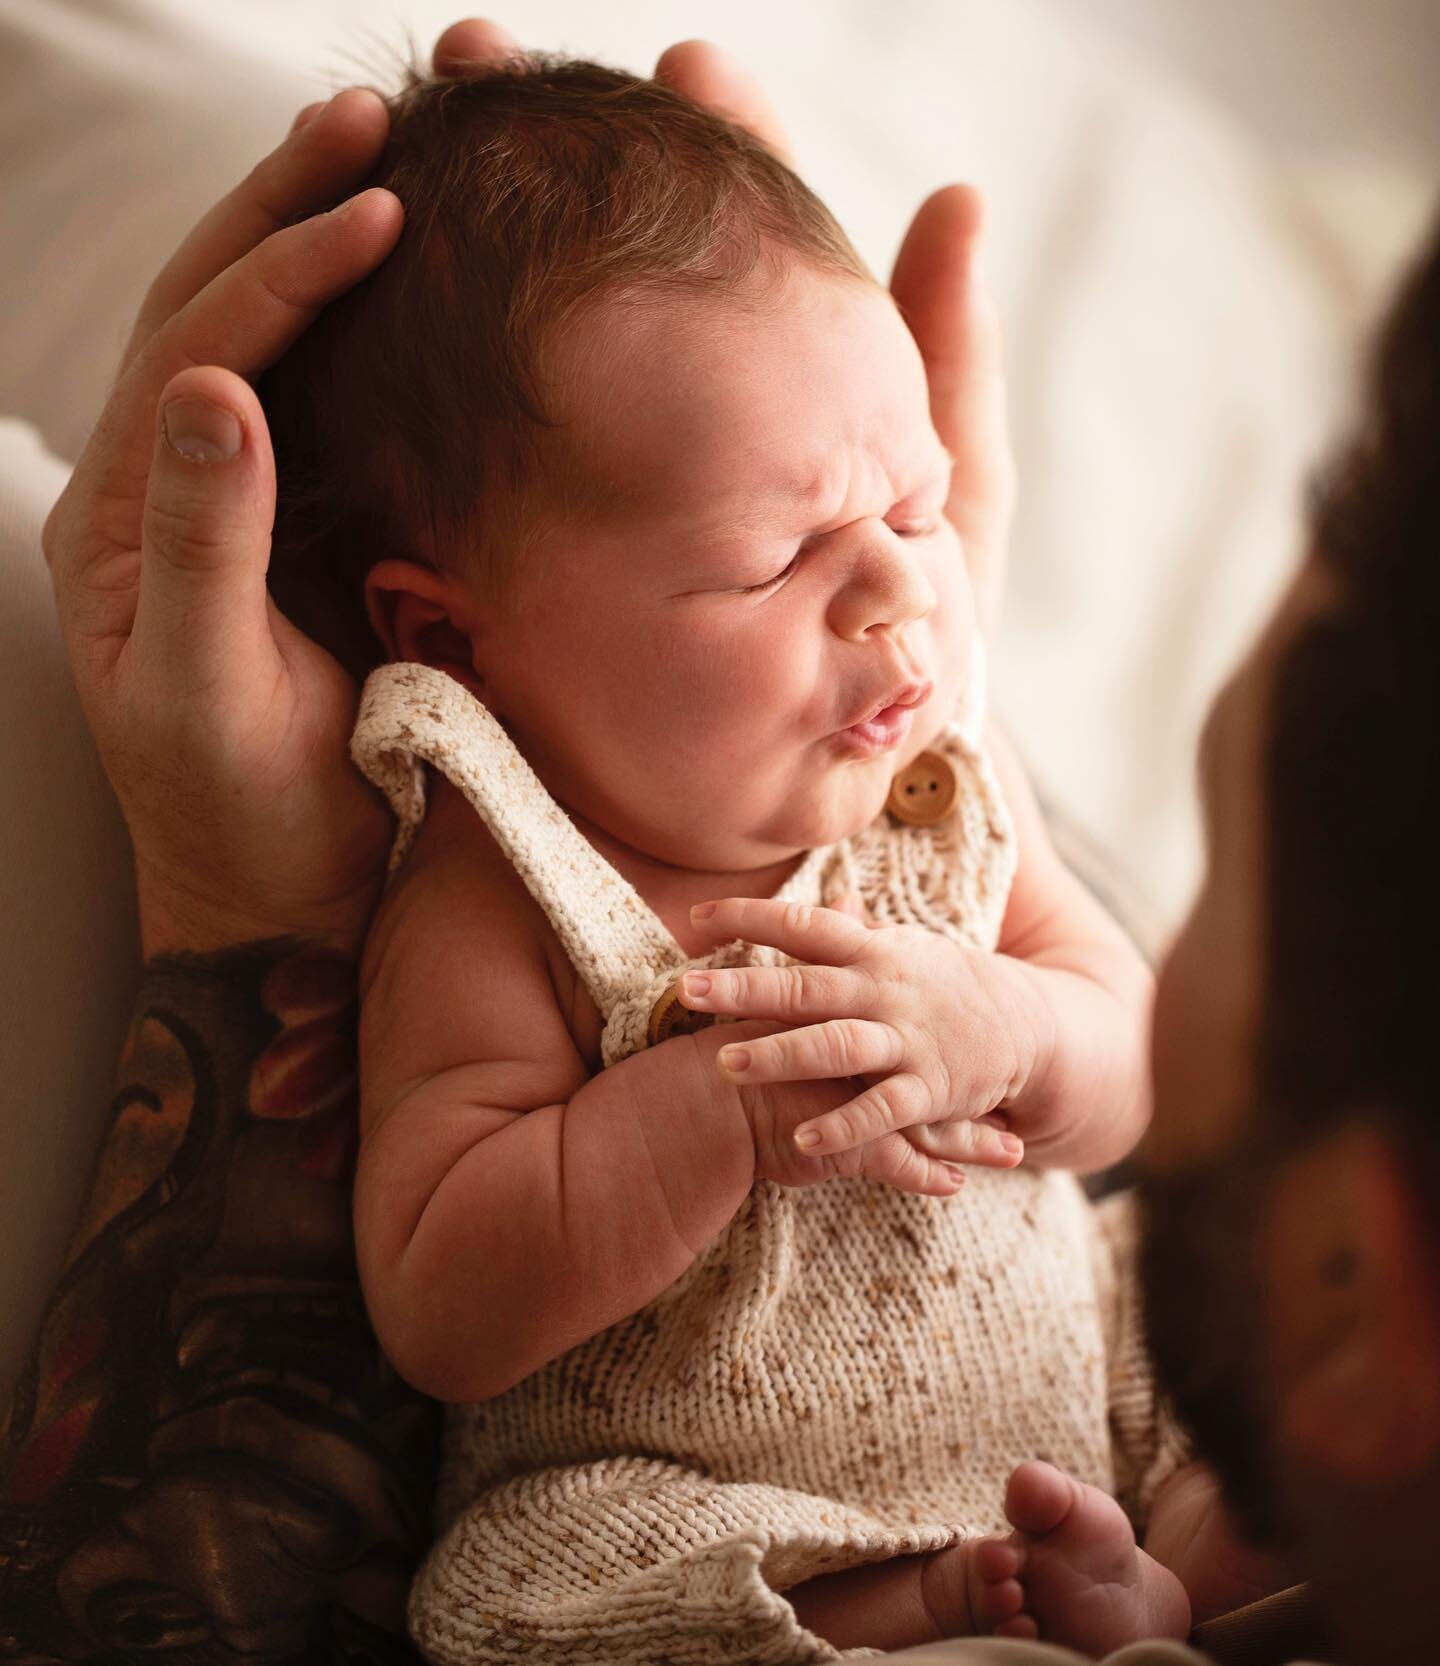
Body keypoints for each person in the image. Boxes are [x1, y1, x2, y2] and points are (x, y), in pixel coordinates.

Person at [255, 55, 1267, 1662]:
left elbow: (1137, 1067)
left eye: (917, 507)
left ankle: (1188, 1567)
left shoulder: (940, 773)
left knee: (1262, 1334)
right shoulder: (502, 885)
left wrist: (1014, 1028)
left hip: (1079, 1378)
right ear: (453, 640)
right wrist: (717, 1108)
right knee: (521, 1593)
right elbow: (445, 1292)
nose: (897, 594)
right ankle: (942, 1607)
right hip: (715, 1495)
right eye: (776, 557)